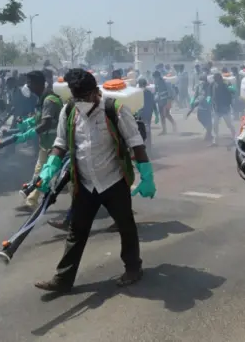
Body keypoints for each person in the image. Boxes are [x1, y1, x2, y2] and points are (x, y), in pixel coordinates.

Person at [34, 68, 156, 292]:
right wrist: (50, 166)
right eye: (76, 97)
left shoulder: (114, 110)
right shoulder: (69, 110)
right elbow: (60, 143)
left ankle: (133, 268)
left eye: (85, 96)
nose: (81, 101)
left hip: (113, 180)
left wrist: (146, 174)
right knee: (76, 232)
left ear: (95, 92)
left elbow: (136, 143)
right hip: (85, 182)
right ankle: (63, 279)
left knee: (126, 226)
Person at [12, 71, 63, 211]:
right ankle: (31, 202)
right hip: (46, 144)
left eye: (30, 82)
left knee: (66, 177)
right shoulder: (42, 99)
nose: (27, 86)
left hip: (58, 145)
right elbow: (38, 119)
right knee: (39, 172)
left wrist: (28, 134)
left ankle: (84, 205)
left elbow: (46, 123)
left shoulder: (49, 100)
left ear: (39, 83)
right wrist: (27, 122)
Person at [210, 73, 236, 146]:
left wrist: (229, 87)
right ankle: (215, 140)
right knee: (215, 124)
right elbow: (210, 95)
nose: (217, 81)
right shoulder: (213, 85)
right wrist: (209, 102)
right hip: (217, 108)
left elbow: (233, 91)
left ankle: (235, 139)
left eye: (217, 80)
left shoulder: (226, 85)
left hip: (225, 108)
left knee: (229, 124)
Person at [137, 78, 159, 153]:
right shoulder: (149, 93)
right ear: (146, 84)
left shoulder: (137, 93)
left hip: (140, 116)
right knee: (148, 132)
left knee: (140, 132)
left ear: (139, 84)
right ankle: (149, 149)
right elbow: (153, 104)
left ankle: (143, 149)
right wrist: (156, 115)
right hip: (148, 115)